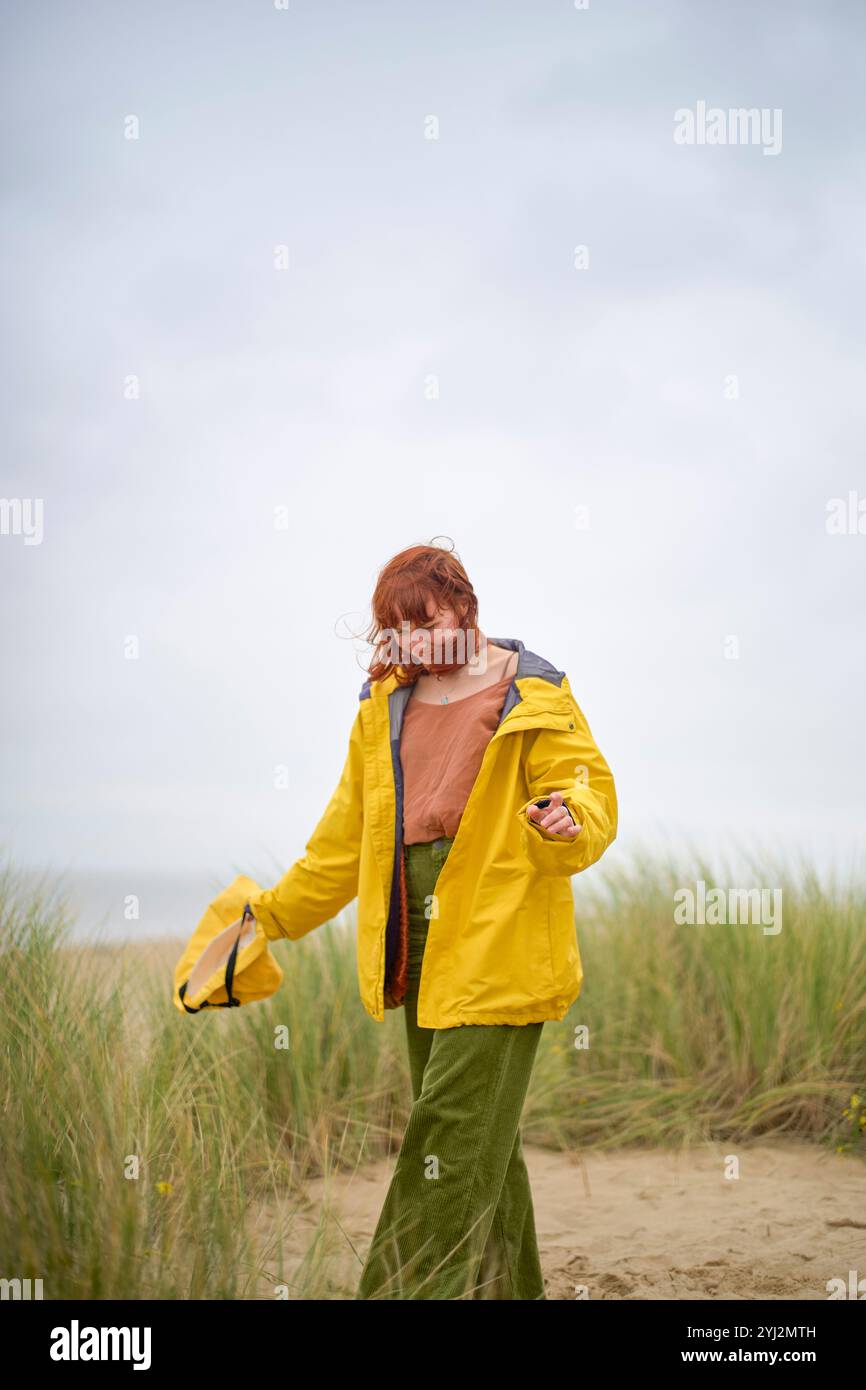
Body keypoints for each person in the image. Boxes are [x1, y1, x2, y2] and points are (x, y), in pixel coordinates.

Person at [237, 541, 618, 1299]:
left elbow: (584, 787)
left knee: (449, 1129)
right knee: (481, 1137)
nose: (413, 643)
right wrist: (267, 919)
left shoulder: (534, 689)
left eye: (427, 622)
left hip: (500, 924)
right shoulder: (384, 707)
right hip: (410, 932)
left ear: (464, 607)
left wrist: (566, 819)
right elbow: (346, 840)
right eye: (398, 630)